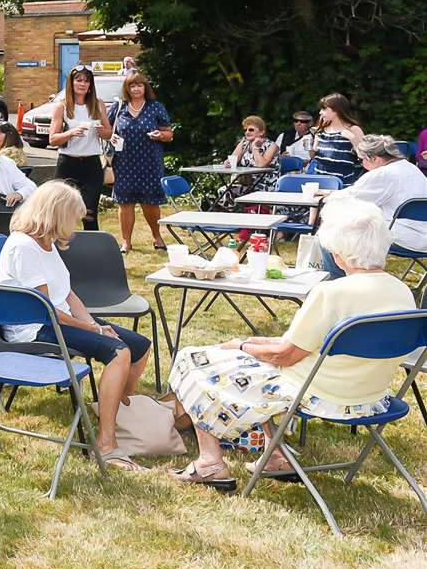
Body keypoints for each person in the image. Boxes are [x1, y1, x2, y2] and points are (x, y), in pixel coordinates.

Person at [170, 198, 415, 488]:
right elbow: (298, 344)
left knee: (192, 358)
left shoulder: (331, 293)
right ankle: (275, 457)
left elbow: (284, 355)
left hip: (319, 396)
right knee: (257, 363)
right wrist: (251, 342)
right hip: (371, 398)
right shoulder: (402, 292)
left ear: (338, 254)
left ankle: (210, 462)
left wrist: (241, 346)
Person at [0, 181, 150, 471]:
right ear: (57, 214)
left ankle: (117, 413)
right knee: (120, 353)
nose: (77, 223)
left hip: (59, 317)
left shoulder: (45, 241)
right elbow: (46, 310)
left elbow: (67, 293)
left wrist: (91, 323)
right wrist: (93, 330)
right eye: (75, 217)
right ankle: (106, 444)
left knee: (139, 347)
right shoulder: (24, 246)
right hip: (35, 328)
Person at [314, 135, 427, 278]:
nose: (361, 164)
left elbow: (351, 198)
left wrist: (329, 196)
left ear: (374, 158)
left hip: (403, 237)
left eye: (361, 159)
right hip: (423, 236)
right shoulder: (411, 168)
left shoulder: (382, 174)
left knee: (331, 238)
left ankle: (336, 284)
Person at [108, 71, 174, 251]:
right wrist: (111, 137)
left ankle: (157, 237)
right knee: (125, 202)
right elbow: (107, 131)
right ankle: (126, 242)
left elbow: (169, 134)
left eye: (139, 85)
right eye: (132, 85)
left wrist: (161, 135)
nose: (136, 88)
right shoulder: (118, 107)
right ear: (127, 88)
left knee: (150, 203)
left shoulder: (155, 107)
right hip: (124, 163)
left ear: (145, 87)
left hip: (150, 163)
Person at [49, 64, 112, 231]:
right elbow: (53, 139)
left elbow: (109, 133)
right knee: (61, 210)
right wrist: (71, 133)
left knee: (89, 212)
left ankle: (92, 249)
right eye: (78, 80)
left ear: (90, 85)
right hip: (68, 163)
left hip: (91, 164)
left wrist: (101, 131)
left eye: (86, 81)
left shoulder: (98, 104)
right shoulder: (61, 106)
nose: (82, 84)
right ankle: (58, 245)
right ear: (71, 83)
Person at [218, 115, 281, 208]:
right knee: (223, 191)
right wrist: (227, 162)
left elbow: (261, 165)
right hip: (246, 183)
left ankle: (244, 213)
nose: (247, 132)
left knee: (247, 193)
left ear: (261, 132)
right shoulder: (244, 143)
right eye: (245, 130)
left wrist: (255, 147)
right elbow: (232, 159)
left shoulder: (272, 146)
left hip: (265, 185)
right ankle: (237, 215)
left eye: (251, 130)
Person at [308, 93, 365, 186]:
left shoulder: (353, 129)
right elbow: (314, 156)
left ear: (336, 110)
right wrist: (308, 145)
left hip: (344, 185)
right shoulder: (321, 130)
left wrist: (352, 138)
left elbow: (365, 156)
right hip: (320, 182)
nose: (320, 112)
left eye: (324, 109)